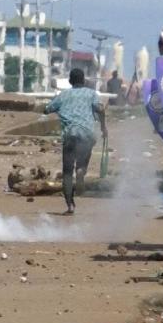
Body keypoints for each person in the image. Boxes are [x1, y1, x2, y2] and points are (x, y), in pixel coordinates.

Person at [45, 68, 108, 215]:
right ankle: (81, 170)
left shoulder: (63, 95)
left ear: (70, 81)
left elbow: (47, 109)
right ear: (84, 80)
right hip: (87, 134)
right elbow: (100, 109)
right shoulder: (91, 94)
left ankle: (70, 206)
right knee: (83, 158)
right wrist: (104, 127)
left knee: (67, 172)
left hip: (70, 135)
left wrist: (49, 108)